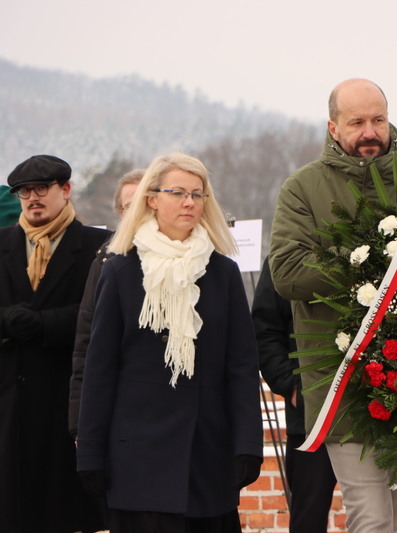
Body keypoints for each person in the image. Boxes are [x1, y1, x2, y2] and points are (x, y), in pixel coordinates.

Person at [76, 152, 263, 532]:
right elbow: (100, 369)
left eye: (198, 194)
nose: (190, 202)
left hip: (206, 454)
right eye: (178, 192)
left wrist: (247, 445)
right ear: (152, 199)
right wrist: (91, 452)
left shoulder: (222, 272)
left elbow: (241, 367)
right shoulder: (119, 270)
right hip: (136, 458)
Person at [269, 78, 397, 533]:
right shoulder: (303, 188)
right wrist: (367, 256)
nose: (369, 131)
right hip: (342, 383)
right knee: (370, 518)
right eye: (357, 122)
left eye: (378, 120)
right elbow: (288, 273)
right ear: (333, 127)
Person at [0, 154, 110, 533]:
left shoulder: (100, 246)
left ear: (65, 190)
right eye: (24, 191)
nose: (32, 198)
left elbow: (101, 316)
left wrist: (45, 323)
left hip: (66, 402)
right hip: (9, 408)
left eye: (41, 189)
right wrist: (8, 319)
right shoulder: (2, 244)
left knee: (68, 513)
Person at [252, 261, 337, 533]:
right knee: (308, 520)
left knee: (378, 517)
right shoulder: (287, 254)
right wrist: (291, 386)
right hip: (310, 416)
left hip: (373, 408)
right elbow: (265, 329)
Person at [69, 168, 145, 438]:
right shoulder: (105, 262)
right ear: (120, 213)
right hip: (120, 405)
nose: (138, 212)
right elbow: (85, 343)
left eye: (145, 202)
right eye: (129, 206)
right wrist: (80, 423)